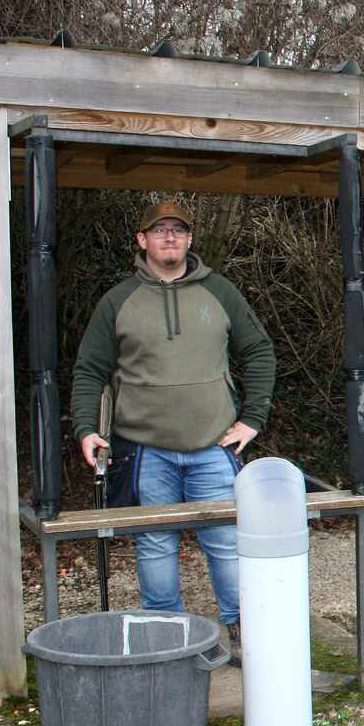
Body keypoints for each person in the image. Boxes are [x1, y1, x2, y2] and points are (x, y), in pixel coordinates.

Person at [71, 201, 277, 663]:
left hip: (213, 446)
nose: (170, 237)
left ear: (190, 239)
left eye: (178, 230)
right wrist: (86, 428)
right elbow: (89, 370)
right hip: (145, 451)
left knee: (227, 543)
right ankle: (168, 640)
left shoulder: (220, 292)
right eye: (160, 230)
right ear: (142, 240)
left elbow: (260, 352)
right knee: (154, 546)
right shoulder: (118, 300)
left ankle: (244, 634)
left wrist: (252, 418)